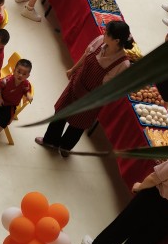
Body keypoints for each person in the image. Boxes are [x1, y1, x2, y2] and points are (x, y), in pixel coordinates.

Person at [35, 20, 133, 156]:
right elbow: (86, 54)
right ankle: (50, 140)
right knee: (61, 112)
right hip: (77, 84)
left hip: (92, 99)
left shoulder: (122, 64)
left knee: (78, 124)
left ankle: (65, 148)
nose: (103, 34)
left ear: (116, 41)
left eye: (107, 33)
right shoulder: (100, 41)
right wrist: (73, 69)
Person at [0, 58, 33, 146]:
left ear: (28, 75)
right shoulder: (7, 80)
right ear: (14, 70)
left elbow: (26, 91)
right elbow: (0, 88)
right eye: (19, 72)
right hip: (0, 99)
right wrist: (0, 98)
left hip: (11, 105)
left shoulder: (25, 84)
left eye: (24, 74)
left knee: (6, 119)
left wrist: (28, 95)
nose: (20, 75)